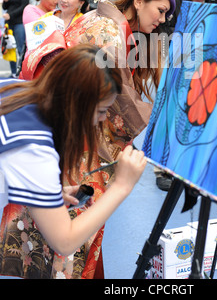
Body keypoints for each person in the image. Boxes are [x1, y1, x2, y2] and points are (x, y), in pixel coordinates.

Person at [18, 0, 175, 278]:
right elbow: (116, 103)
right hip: (78, 141)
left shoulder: (112, 25)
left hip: (74, 135)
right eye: (161, 10)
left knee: (70, 228)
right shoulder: (106, 30)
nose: (162, 19)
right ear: (139, 1)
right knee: (74, 234)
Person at [0, 44, 147, 265]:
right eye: (100, 110)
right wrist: (122, 186)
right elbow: (65, 241)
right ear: (75, 103)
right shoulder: (36, 149)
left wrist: (49, 192)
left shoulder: (14, 89)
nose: (101, 119)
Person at [2, 0, 31, 77]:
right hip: (8, 23)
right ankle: (13, 72)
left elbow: (23, 6)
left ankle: (22, 72)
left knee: (20, 48)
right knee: (10, 48)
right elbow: (6, 6)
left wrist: (10, 0)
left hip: (19, 22)